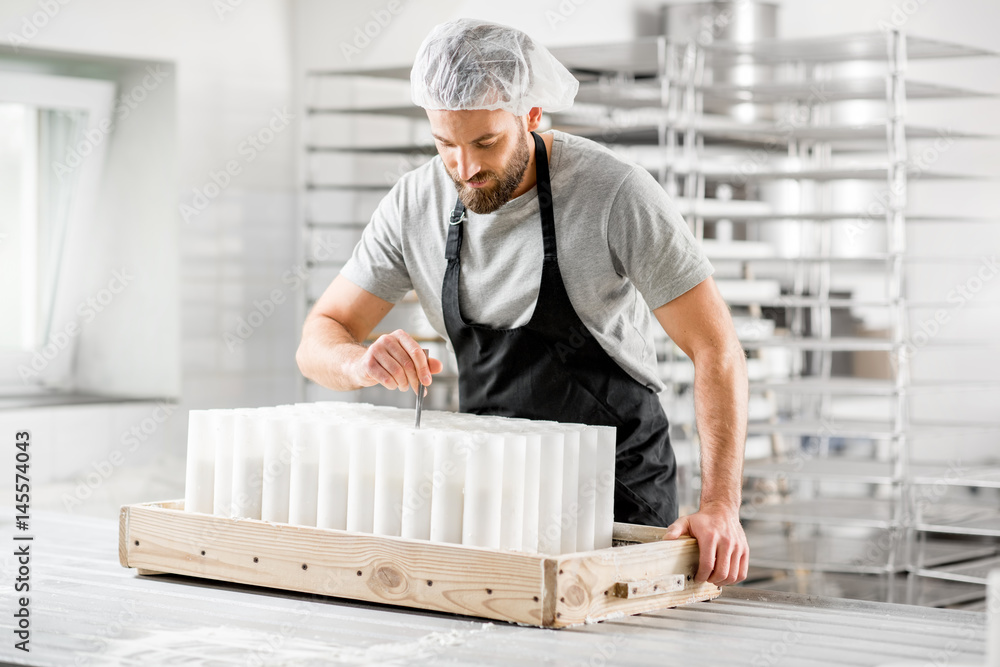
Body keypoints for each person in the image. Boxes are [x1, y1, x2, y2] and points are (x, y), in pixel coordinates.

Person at [297, 18, 749, 585]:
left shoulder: (613, 194)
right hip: (493, 489)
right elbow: (320, 335)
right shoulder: (413, 204)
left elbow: (716, 349)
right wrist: (357, 362)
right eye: (445, 145)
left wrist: (721, 507)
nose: (465, 169)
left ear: (531, 116)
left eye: (486, 142)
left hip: (615, 490)